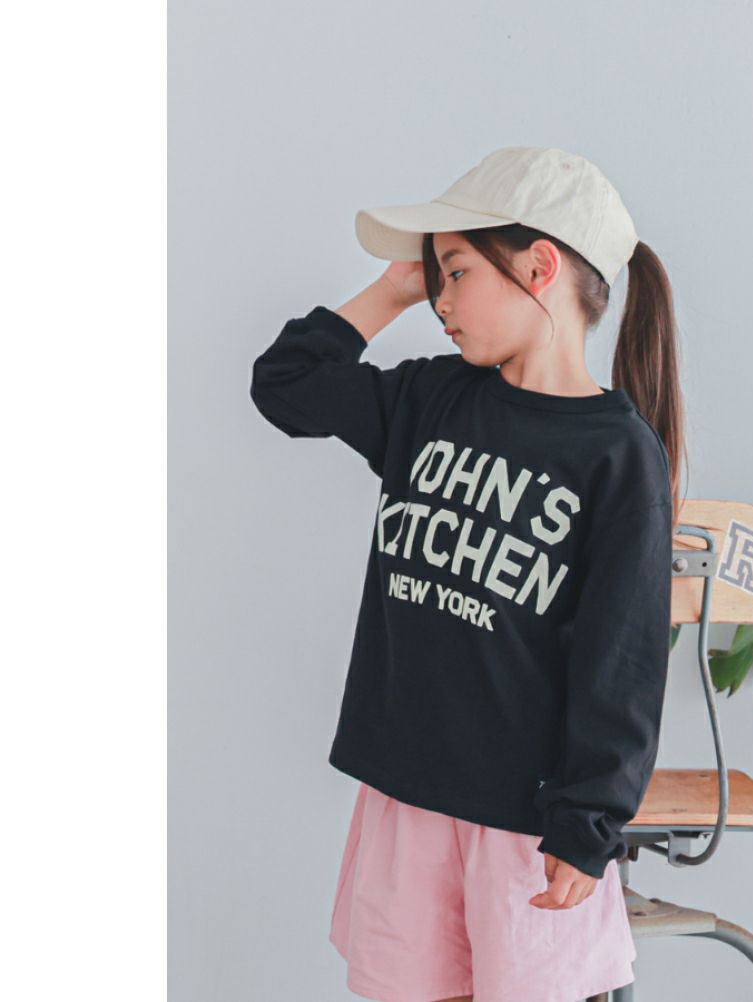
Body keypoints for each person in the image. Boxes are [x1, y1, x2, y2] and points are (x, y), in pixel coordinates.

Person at [249, 146, 686, 1002]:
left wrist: (588, 821)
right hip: (409, 797)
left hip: (525, 821)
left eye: (454, 274)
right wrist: (395, 288)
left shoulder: (614, 454)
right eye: (435, 279)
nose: (440, 301)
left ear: (540, 266)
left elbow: (623, 658)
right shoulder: (429, 400)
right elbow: (286, 385)